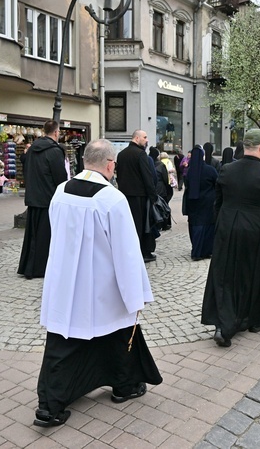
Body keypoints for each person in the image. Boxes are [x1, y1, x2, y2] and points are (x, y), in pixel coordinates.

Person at [35, 139, 162, 427]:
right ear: (109, 165)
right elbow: (127, 252)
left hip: (67, 282)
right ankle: (124, 386)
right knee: (118, 331)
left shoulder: (60, 192)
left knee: (64, 338)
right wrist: (135, 296)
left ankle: (50, 405)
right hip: (102, 284)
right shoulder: (112, 199)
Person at [201, 129, 260, 348]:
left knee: (224, 275)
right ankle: (254, 319)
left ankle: (223, 323)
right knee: (255, 274)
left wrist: (222, 225)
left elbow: (218, 203)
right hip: (256, 230)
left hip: (227, 228)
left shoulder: (226, 170)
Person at [18, 120, 69, 278]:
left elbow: (26, 168)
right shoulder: (55, 151)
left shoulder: (32, 149)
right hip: (49, 198)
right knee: (46, 236)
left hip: (33, 197)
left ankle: (28, 267)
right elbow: (60, 177)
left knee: (32, 235)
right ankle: (41, 268)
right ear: (56, 132)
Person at [116, 130, 158, 263]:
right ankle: (140, 252)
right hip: (139, 196)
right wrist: (153, 196)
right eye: (145, 137)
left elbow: (119, 175)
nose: (147, 140)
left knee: (128, 225)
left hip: (125, 194)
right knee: (140, 226)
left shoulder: (121, 154)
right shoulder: (140, 154)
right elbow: (147, 177)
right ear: (137, 138)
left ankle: (129, 252)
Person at [183, 147, 218, 260]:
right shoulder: (210, 170)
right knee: (208, 226)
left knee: (195, 225)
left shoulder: (189, 171)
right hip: (208, 202)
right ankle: (206, 250)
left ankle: (196, 249)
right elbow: (217, 183)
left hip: (193, 201)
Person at [150, 147, 172, 231]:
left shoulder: (148, 162)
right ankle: (165, 223)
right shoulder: (160, 165)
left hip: (152, 187)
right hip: (161, 188)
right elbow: (165, 178)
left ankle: (156, 224)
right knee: (163, 205)